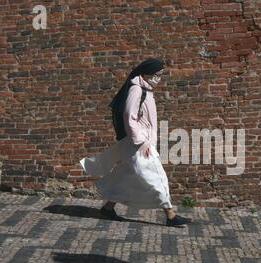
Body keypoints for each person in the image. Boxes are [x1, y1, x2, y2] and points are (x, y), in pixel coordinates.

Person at [80, 58, 191, 227]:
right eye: (157, 74)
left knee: (127, 175)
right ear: (147, 73)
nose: (159, 78)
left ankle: (108, 208)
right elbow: (129, 116)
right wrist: (141, 142)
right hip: (139, 143)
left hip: (142, 142)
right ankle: (170, 215)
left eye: (161, 75)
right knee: (156, 176)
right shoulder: (137, 90)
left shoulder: (146, 89)